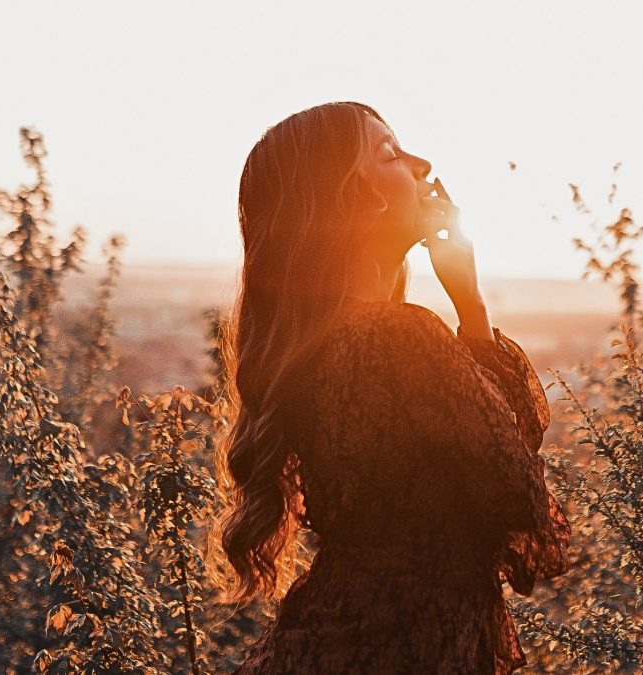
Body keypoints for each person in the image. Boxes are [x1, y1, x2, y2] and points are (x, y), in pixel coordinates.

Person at [211, 101, 571, 674]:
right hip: (407, 647)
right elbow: (519, 493)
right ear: (353, 196)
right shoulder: (400, 338)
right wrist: (471, 307)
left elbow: (503, 438)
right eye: (389, 152)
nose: (423, 164)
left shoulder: (322, 344)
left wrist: (470, 307)